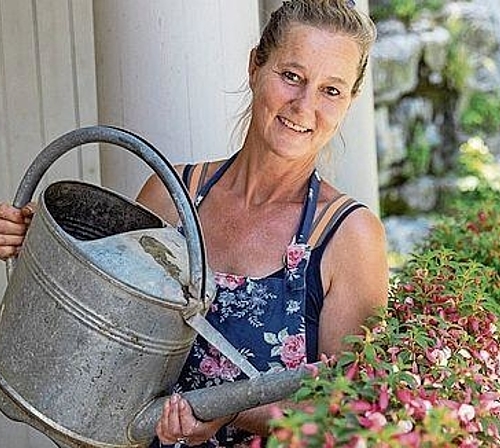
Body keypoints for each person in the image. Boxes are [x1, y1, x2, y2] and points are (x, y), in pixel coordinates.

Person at [0, 0, 388, 446]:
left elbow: (346, 410)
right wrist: (44, 246)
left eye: (331, 90)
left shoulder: (347, 236)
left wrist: (226, 412)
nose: (304, 105)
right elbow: (99, 328)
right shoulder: (170, 195)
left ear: (351, 101)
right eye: (291, 76)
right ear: (255, 66)